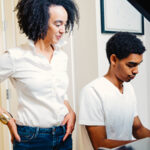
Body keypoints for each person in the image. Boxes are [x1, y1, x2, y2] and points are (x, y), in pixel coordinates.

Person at [0, 0, 79, 149]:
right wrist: (7, 119)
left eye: (65, 24)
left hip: (63, 136)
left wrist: (70, 111)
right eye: (58, 24)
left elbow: (59, 92)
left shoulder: (61, 56)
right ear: (40, 22)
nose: (63, 30)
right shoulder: (15, 57)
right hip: (31, 139)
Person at [79, 32, 150, 150]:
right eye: (131, 65)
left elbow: (138, 129)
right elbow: (100, 144)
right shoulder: (92, 92)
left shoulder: (128, 88)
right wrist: (140, 145)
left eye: (138, 65)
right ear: (113, 59)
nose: (136, 71)